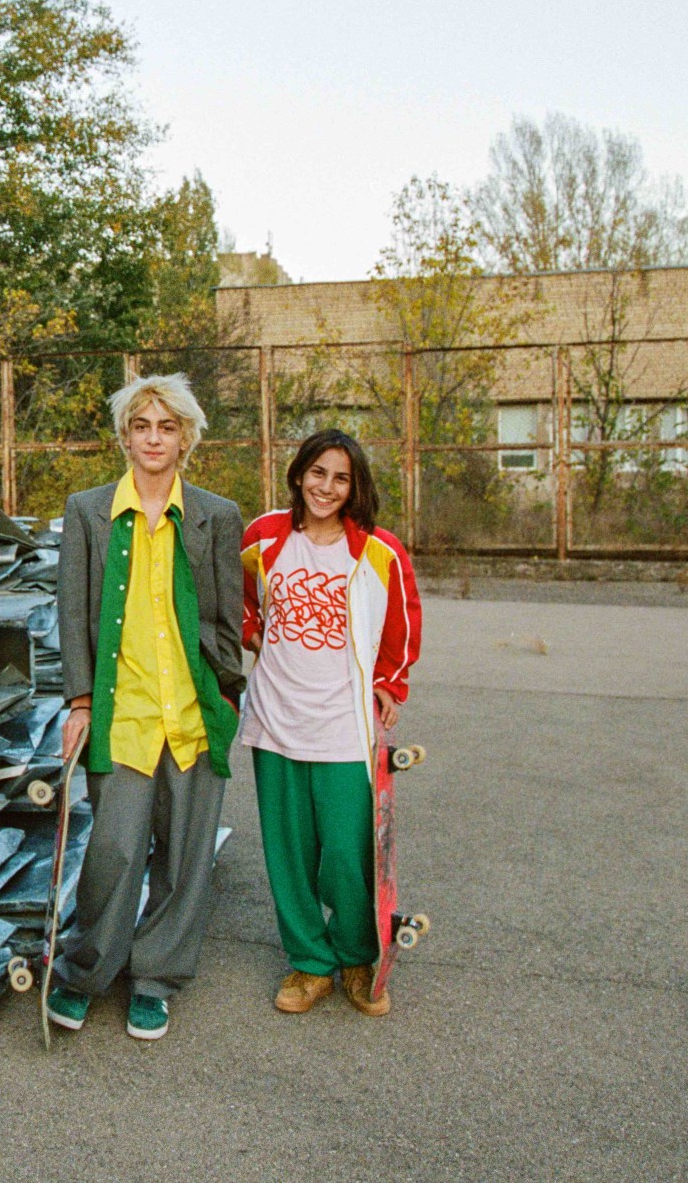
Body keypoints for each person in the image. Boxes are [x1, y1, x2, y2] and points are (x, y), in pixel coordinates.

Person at [45, 373, 248, 1041]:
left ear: (185, 436)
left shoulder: (216, 515)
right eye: (141, 426)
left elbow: (225, 615)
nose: (154, 439)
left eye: (166, 426)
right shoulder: (89, 511)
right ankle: (85, 972)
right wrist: (78, 701)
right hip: (123, 714)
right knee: (115, 850)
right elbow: (72, 613)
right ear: (125, 436)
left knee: (185, 858)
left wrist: (223, 692)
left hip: (192, 716)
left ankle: (156, 979)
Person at [238, 427, 421, 1017]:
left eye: (340, 478)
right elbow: (238, 597)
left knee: (346, 851)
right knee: (288, 850)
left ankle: (358, 954)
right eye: (317, 473)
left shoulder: (377, 551)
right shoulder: (264, 537)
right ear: (298, 475)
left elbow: (403, 622)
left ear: (353, 487)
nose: (326, 487)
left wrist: (392, 682)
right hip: (275, 720)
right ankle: (310, 964)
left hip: (344, 724)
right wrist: (249, 628)